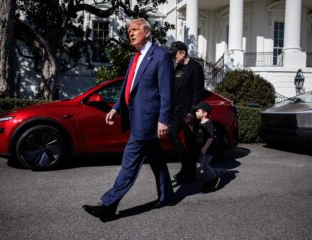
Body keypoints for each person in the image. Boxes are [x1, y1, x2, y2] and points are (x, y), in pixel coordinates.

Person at [83, 18, 175, 221]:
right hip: (136, 117)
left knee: (129, 162)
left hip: (148, 121)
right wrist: (116, 108)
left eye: (134, 30)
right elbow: (127, 87)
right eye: (128, 31)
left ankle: (108, 205)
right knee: (157, 160)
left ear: (147, 32)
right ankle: (167, 195)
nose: (130, 34)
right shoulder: (135, 58)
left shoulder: (160, 56)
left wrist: (164, 120)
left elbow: (167, 92)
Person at [167, 41, 206, 183]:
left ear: (183, 53)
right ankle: (186, 166)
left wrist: (192, 112)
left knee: (190, 143)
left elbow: (198, 93)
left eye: (174, 54)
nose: (173, 57)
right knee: (172, 134)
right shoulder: (177, 68)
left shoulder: (195, 68)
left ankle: (190, 173)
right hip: (177, 111)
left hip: (189, 112)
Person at [194, 102, 221, 192]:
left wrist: (205, 148)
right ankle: (207, 180)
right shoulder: (199, 123)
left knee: (204, 165)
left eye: (198, 111)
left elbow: (210, 137)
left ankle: (214, 177)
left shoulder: (208, 123)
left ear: (205, 113)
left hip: (209, 149)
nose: (195, 112)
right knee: (203, 166)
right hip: (201, 149)